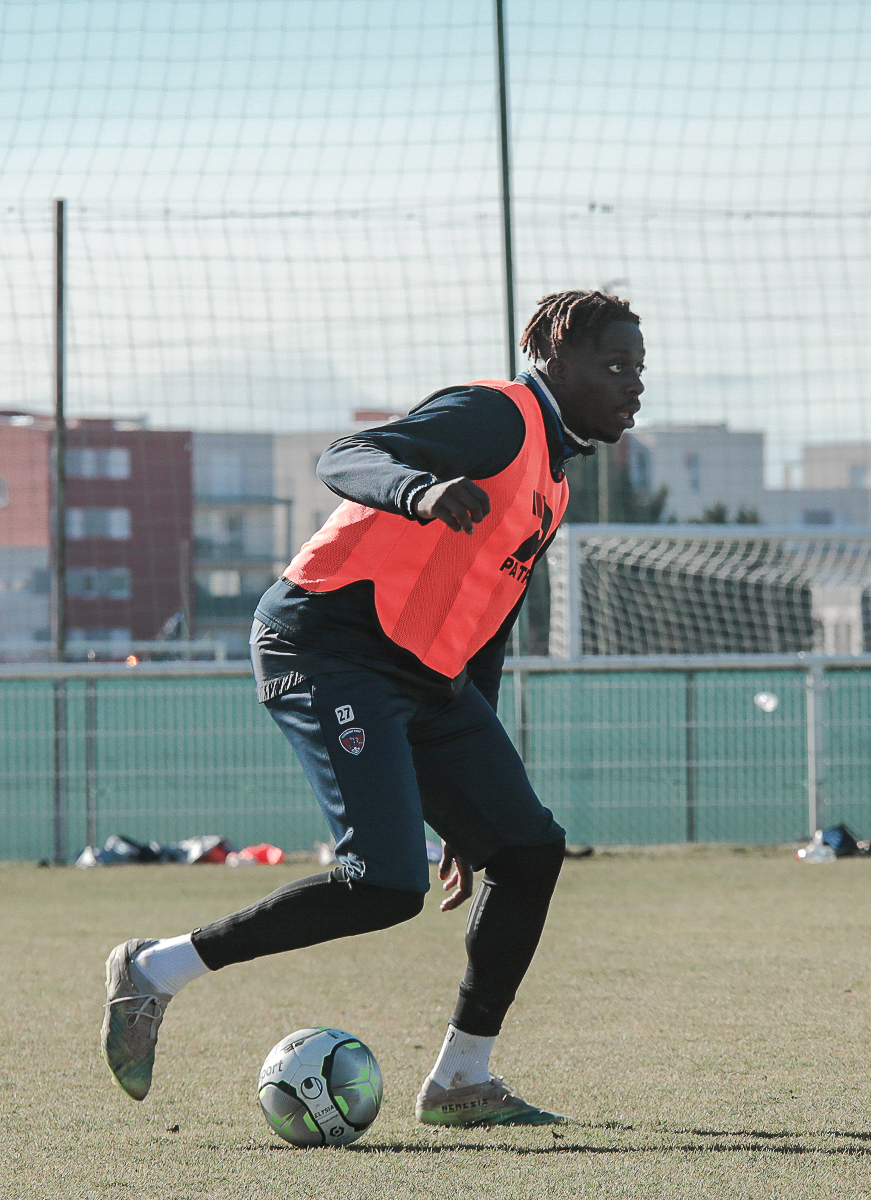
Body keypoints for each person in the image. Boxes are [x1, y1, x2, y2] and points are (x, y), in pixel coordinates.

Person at [101, 290, 645, 1126]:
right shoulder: (496, 415)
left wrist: (470, 805)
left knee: (528, 850)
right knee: (385, 885)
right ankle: (154, 969)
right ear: (555, 362)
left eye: (639, 370)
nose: (632, 386)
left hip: (425, 673)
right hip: (327, 642)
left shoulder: (553, 483)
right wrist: (420, 493)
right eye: (615, 366)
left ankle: (462, 1080)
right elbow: (346, 457)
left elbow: (485, 627)